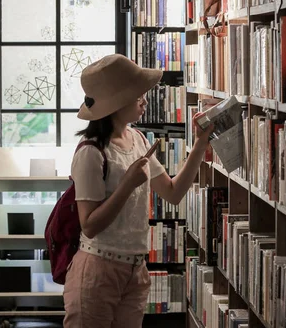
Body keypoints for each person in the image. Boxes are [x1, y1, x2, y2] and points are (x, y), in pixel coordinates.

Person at [63, 54, 214, 328]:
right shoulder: (91, 152)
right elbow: (90, 226)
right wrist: (127, 185)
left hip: (136, 269)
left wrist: (200, 145)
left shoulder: (139, 139)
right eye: (137, 97)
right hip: (98, 269)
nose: (144, 101)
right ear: (116, 103)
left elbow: (172, 192)